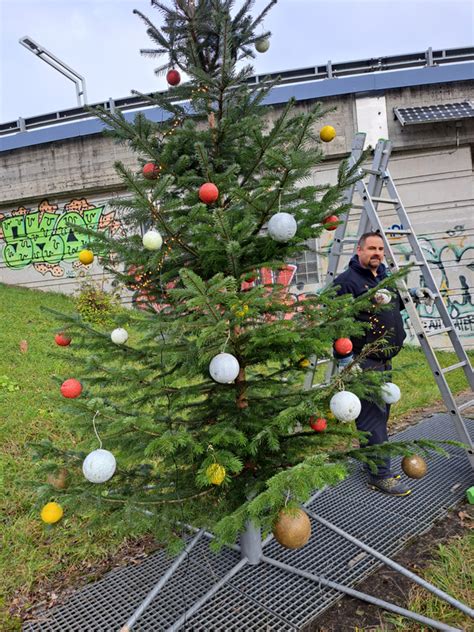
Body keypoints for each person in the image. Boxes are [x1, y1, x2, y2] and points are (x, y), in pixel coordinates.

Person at [333, 231, 433, 496]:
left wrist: (412, 294)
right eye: (371, 248)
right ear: (359, 250)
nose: (377, 253)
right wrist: (346, 361)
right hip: (363, 361)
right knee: (373, 417)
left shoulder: (385, 279)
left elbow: (391, 304)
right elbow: (334, 320)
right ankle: (380, 475)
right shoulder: (347, 282)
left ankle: (371, 460)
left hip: (384, 361)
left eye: (380, 249)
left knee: (381, 414)